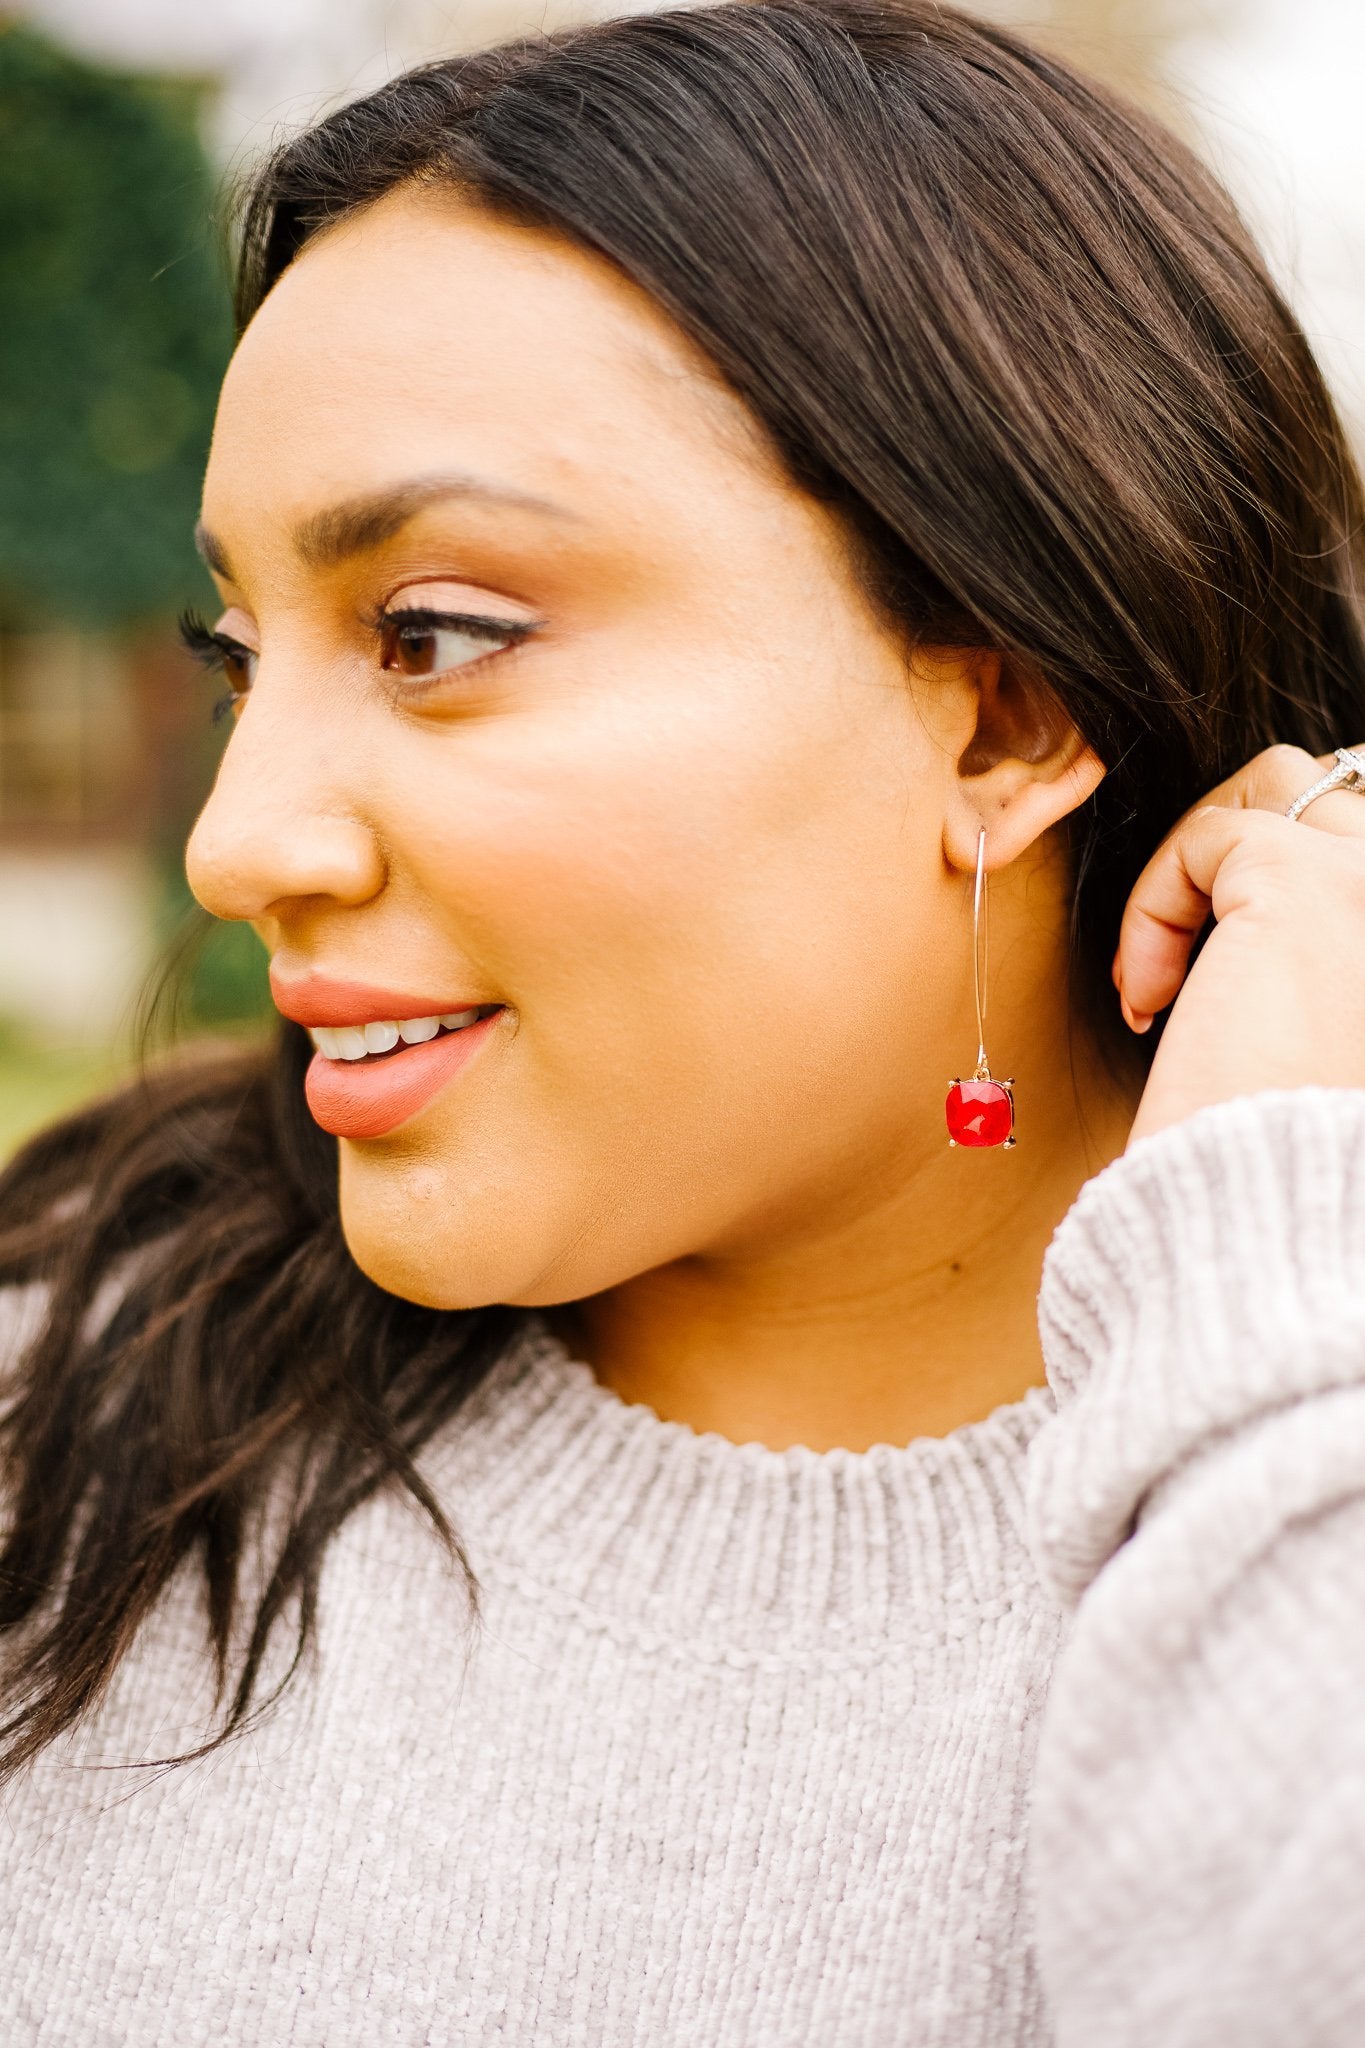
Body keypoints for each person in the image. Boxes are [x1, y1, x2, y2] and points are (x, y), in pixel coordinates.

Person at [2, 1, 1365, 2041]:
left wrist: (1271, 1254)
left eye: (434, 634)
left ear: (1001, 717)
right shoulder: (75, 1365)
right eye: (239, 655)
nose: (237, 840)